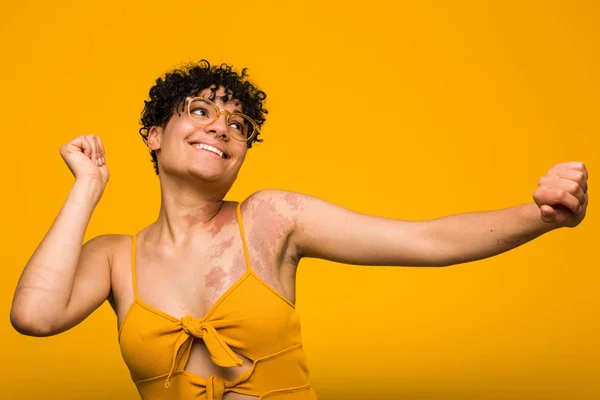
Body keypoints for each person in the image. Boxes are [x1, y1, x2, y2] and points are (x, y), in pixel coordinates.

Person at [10, 60, 589, 400]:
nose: (224, 128)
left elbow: (426, 239)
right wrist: (87, 186)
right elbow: (34, 317)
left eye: (239, 124)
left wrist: (536, 217)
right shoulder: (114, 258)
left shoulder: (269, 219)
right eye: (202, 111)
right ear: (155, 134)